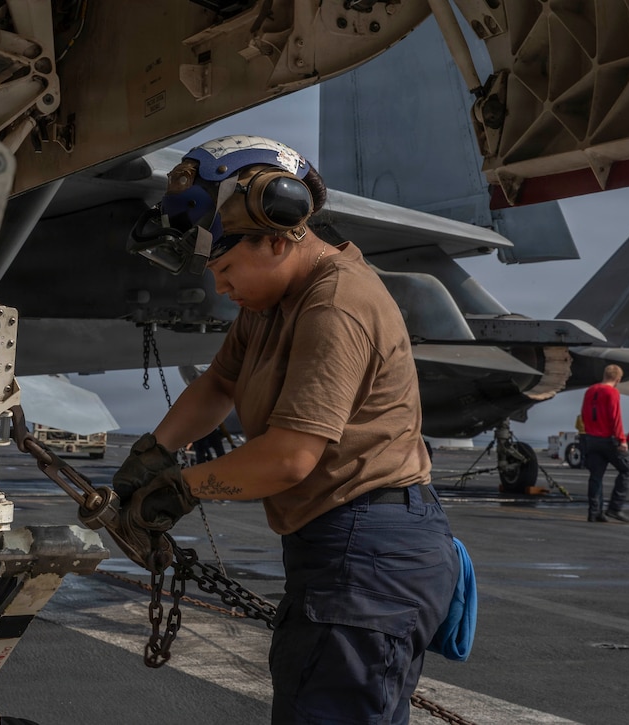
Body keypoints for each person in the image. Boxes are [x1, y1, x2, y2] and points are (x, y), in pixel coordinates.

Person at [115, 135, 460, 723]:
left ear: (278, 233)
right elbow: (218, 385)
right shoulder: (273, 304)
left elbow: (288, 458)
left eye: (224, 267)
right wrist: (152, 453)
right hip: (346, 547)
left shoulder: (334, 305)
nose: (219, 286)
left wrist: (178, 489)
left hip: (367, 553)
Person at [580, 365, 629, 523]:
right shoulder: (613, 392)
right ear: (618, 379)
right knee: (627, 471)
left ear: (604, 375)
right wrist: (622, 440)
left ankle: (594, 513)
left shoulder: (590, 390)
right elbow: (615, 418)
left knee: (596, 476)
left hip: (591, 439)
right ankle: (615, 509)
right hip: (608, 440)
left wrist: (590, 432)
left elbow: (584, 413)